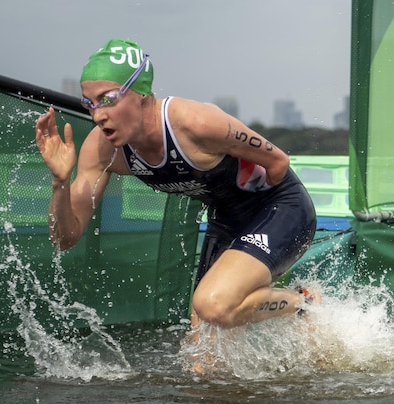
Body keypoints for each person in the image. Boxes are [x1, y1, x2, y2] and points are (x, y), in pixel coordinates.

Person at [35, 38, 317, 334]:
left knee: (213, 305)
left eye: (108, 99)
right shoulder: (103, 149)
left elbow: (278, 163)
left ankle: (302, 302)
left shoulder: (195, 124)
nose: (98, 115)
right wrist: (60, 182)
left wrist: (259, 250)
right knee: (201, 362)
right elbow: (64, 238)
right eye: (89, 103)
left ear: (141, 93)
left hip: (280, 209)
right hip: (226, 221)